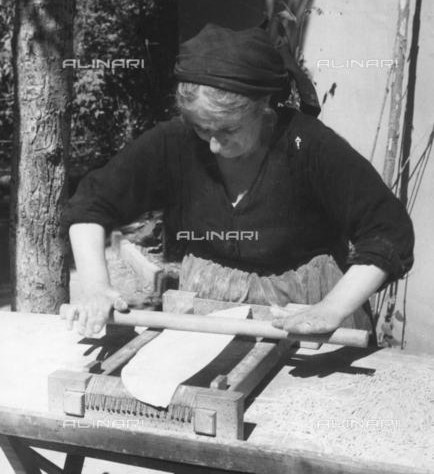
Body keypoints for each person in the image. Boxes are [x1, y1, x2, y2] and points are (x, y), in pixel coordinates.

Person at [62, 24, 414, 340]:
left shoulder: (307, 146)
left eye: (227, 130)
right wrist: (95, 287)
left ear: (264, 110)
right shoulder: (174, 142)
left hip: (306, 309)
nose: (213, 145)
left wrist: (333, 307)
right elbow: (92, 204)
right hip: (204, 308)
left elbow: (388, 231)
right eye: (202, 129)